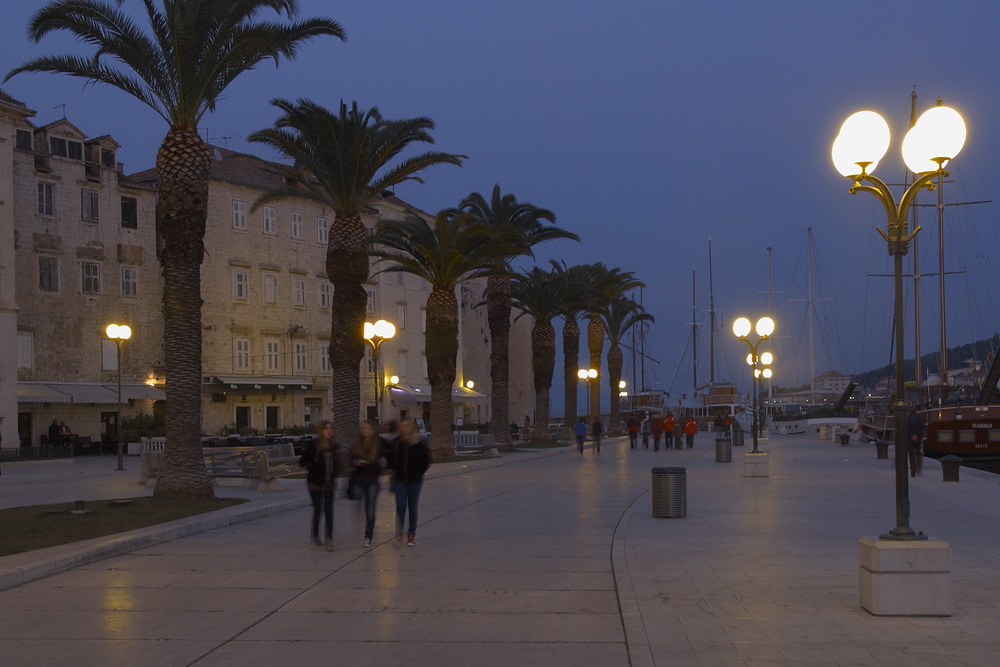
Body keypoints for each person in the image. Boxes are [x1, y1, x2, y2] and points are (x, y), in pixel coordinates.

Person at [389, 418, 431, 547]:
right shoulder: (396, 443)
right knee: (400, 507)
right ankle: (399, 535)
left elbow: (426, 461)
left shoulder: (419, 443)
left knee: (412, 507)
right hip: (400, 480)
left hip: (414, 481)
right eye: (402, 426)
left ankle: (411, 535)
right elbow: (391, 460)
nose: (405, 429)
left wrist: (417, 473)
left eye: (407, 426)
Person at [299, 420, 340, 549]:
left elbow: (337, 463)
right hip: (315, 482)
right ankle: (315, 536)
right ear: (321, 430)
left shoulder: (334, 446)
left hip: (329, 482)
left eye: (331, 428)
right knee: (318, 509)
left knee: (329, 510)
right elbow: (302, 461)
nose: (329, 431)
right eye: (326, 428)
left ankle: (329, 538)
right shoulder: (313, 445)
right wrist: (313, 467)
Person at [351, 421, 386, 547]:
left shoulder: (378, 444)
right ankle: (361, 529)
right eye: (363, 428)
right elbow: (350, 458)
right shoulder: (357, 444)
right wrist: (356, 462)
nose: (365, 430)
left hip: (372, 479)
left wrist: (380, 467)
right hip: (360, 478)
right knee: (357, 501)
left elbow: (385, 458)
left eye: (368, 428)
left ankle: (368, 536)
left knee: (370, 509)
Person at [906, 407, 925, 477]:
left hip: (910, 439)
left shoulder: (907, 420)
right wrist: (917, 436)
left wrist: (911, 436)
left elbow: (905, 429)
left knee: (911, 455)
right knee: (918, 453)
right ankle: (919, 468)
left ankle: (912, 470)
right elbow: (922, 429)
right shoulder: (921, 419)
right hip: (918, 439)